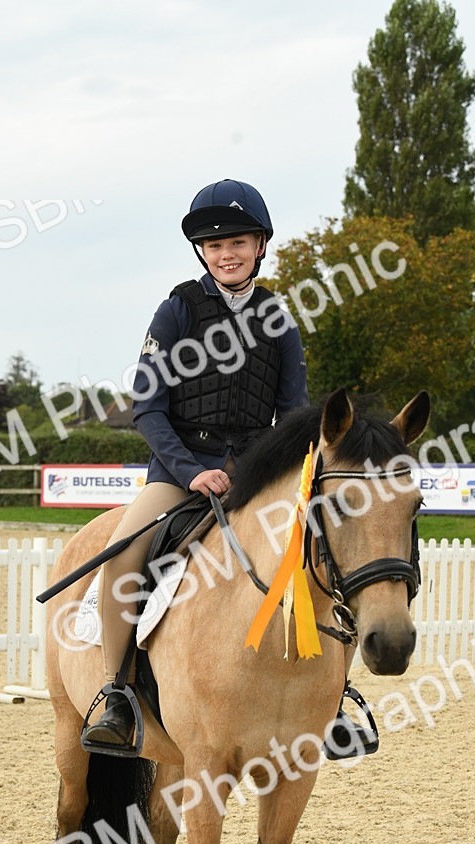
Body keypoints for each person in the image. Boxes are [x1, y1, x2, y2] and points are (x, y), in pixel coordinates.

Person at [82, 179, 310, 750]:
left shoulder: (279, 319)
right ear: (202, 254)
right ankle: (116, 694)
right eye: (214, 246)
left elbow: (296, 412)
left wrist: (284, 473)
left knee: (324, 549)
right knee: (125, 556)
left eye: (237, 242)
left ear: (260, 245)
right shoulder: (177, 310)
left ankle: (331, 694)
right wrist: (190, 472)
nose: (226, 254)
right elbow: (148, 407)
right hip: (181, 472)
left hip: (256, 476)